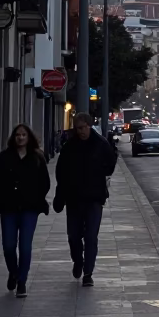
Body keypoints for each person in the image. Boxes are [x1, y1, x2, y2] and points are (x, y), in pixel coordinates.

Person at [0, 124, 51, 298]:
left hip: (30, 208)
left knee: (25, 245)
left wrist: (37, 198)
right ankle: (13, 272)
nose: (20, 138)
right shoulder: (4, 157)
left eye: (23, 135)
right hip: (9, 207)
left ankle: (22, 281)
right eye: (17, 135)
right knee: (8, 246)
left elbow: (45, 182)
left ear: (29, 137)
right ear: (13, 138)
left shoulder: (37, 157)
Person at [53, 112, 118, 286]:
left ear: (89, 126)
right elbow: (61, 171)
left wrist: (100, 176)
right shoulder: (70, 146)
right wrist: (61, 193)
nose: (80, 131)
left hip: (94, 198)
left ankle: (88, 272)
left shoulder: (101, 144)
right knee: (74, 236)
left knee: (90, 236)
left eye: (82, 127)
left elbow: (111, 163)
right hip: (74, 199)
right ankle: (78, 261)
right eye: (77, 128)